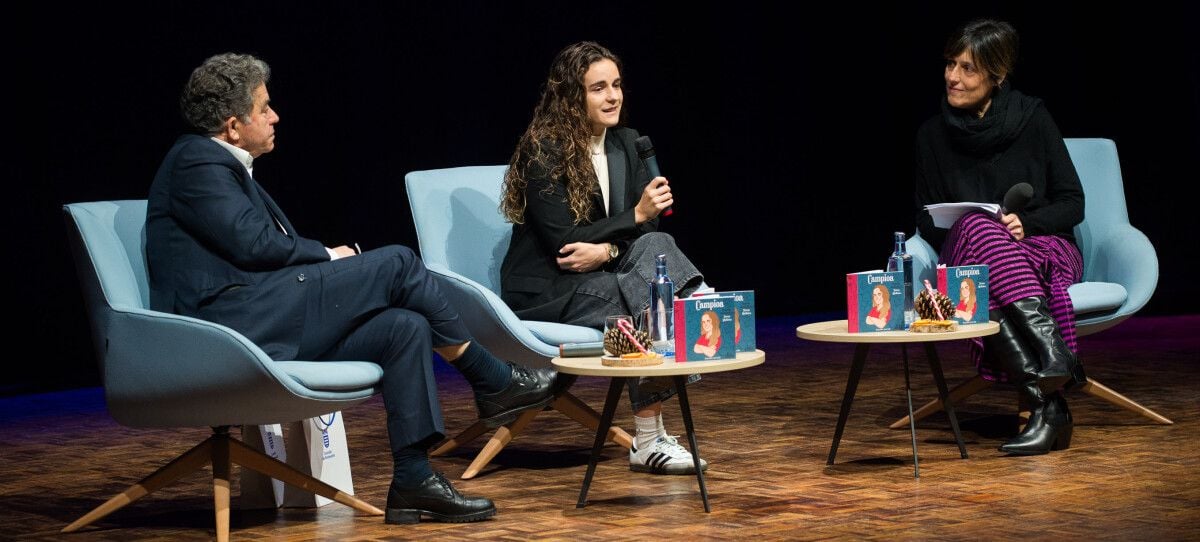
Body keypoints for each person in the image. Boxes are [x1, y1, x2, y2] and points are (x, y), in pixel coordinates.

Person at [146, 53, 563, 524]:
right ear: (232, 125)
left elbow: (253, 246)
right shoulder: (197, 160)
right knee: (398, 262)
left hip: (266, 312)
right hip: (232, 325)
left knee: (402, 327)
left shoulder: (219, 163)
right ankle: (492, 378)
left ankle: (413, 478)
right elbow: (252, 244)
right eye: (264, 108)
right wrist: (328, 256)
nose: (275, 115)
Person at [500, 41, 709, 475]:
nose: (612, 96)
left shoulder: (628, 143)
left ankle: (693, 299)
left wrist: (611, 247)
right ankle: (651, 435)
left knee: (654, 255)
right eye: (598, 88)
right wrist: (633, 215)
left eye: (616, 85)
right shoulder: (544, 150)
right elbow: (563, 241)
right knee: (643, 308)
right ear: (572, 96)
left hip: (606, 271)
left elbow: (648, 232)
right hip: (545, 288)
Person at [913, 20, 1087, 455]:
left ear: (997, 75)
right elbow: (925, 216)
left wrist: (1028, 225)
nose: (953, 76)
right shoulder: (932, 135)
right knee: (976, 228)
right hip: (969, 251)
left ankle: (1044, 400)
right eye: (951, 64)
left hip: (1043, 247)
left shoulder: (1032, 118)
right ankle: (1056, 363)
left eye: (968, 68)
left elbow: (1073, 202)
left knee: (984, 280)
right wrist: (980, 225)